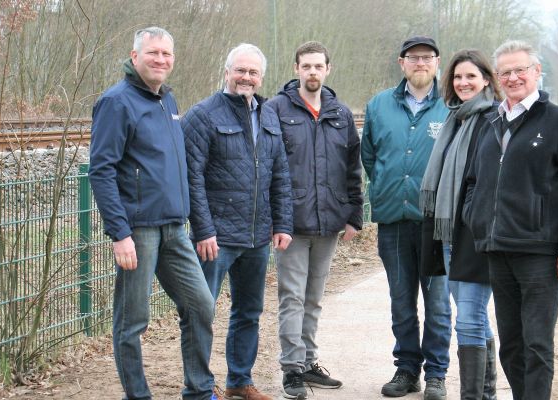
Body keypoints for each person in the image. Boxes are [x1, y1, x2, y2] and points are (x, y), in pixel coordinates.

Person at [88, 27, 217, 400]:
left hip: (175, 228)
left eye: (166, 54)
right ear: (135, 56)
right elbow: (101, 170)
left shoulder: (168, 102)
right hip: (138, 231)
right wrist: (120, 233)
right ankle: (138, 395)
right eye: (153, 53)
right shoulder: (116, 102)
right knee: (132, 321)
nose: (160, 60)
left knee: (200, 305)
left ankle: (199, 389)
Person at [462, 40, 558, 400]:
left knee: (537, 343)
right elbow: (474, 180)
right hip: (497, 250)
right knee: (511, 344)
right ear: (497, 78)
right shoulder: (490, 122)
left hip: (541, 253)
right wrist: (477, 219)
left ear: (537, 72)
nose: (513, 77)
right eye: (505, 72)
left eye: (521, 69)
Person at [181, 43, 293, 400]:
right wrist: (203, 229)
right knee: (201, 312)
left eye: (253, 72)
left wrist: (282, 223)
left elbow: (280, 174)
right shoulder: (203, 115)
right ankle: (199, 387)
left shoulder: (270, 114)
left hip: (258, 237)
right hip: (216, 237)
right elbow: (191, 178)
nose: (247, 77)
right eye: (240, 70)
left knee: (249, 311)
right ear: (227, 71)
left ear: (261, 77)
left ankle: (239, 382)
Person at [262, 41, 364, 400]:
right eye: (306, 66)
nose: (312, 72)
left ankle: (308, 361)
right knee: (292, 296)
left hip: (329, 221)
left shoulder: (340, 113)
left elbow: (353, 167)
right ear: (296, 69)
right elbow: (269, 167)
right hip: (291, 223)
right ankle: (292, 369)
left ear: (328, 69)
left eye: (318, 66)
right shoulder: (276, 109)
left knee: (314, 297)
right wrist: (276, 220)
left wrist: (354, 214)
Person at [361, 36, 452, 400]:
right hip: (394, 220)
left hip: (437, 224)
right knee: (401, 300)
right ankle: (407, 369)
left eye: (427, 57)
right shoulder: (379, 105)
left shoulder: (451, 106)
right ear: (401, 63)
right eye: (413, 57)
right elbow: (371, 157)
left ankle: (437, 373)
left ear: (437, 62)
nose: (420, 63)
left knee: (438, 302)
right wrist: (389, 185)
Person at [419, 49, 501, 400]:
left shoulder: (495, 119)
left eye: (471, 76)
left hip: (476, 233)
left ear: (486, 79)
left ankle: (476, 395)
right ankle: (486, 393)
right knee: (472, 313)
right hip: (449, 234)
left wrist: (470, 218)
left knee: (468, 315)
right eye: (457, 77)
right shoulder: (458, 119)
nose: (463, 83)